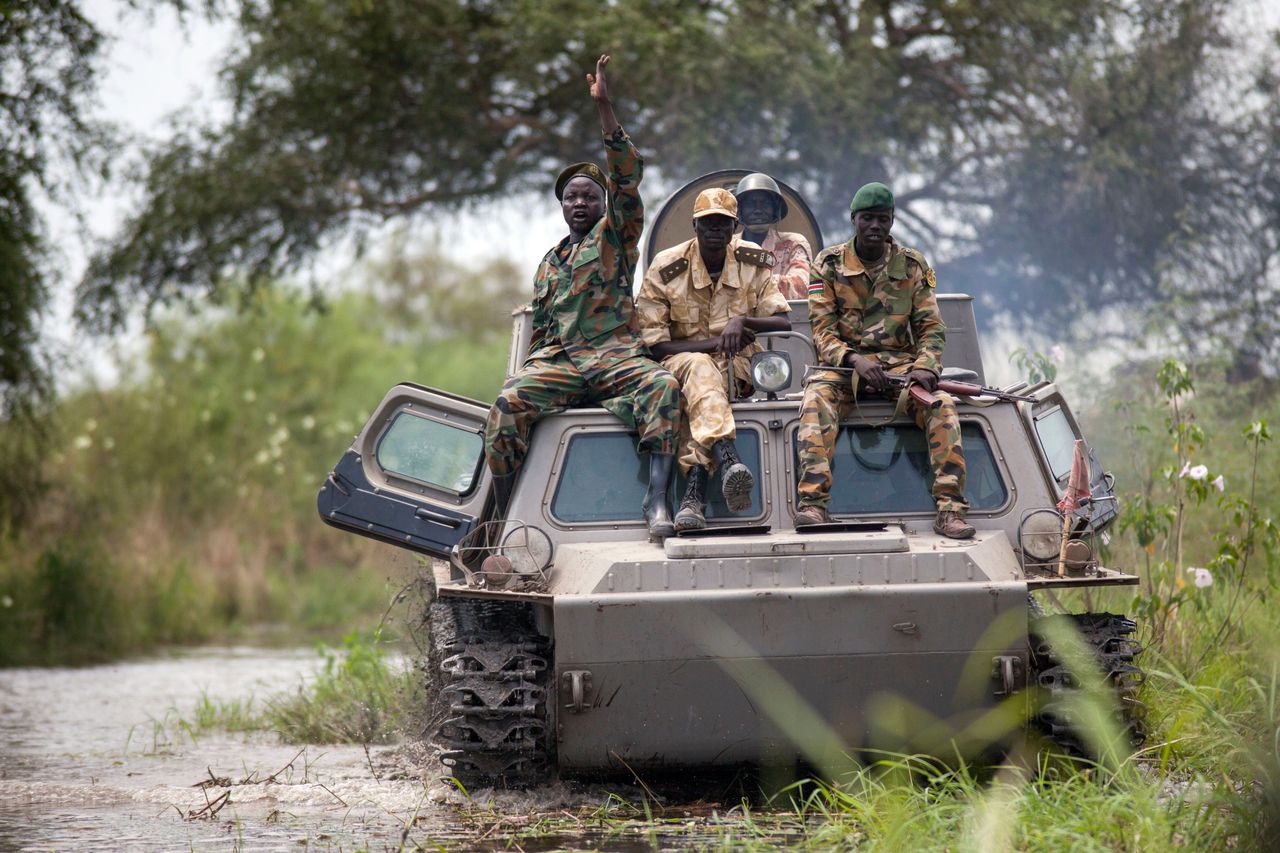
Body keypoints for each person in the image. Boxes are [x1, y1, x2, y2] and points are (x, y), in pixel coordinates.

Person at [483, 55, 681, 540]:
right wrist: (531, 370)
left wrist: (606, 110)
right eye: (571, 197)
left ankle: (658, 503)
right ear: (562, 205)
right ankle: (501, 524)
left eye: (589, 196)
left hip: (615, 360)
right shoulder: (549, 264)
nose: (579, 203)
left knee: (662, 388)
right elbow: (545, 330)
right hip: (563, 365)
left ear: (602, 203)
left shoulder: (615, 237)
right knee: (507, 405)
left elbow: (627, 178)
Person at [794, 181, 975, 539]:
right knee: (815, 402)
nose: (875, 226)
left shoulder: (911, 266)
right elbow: (822, 332)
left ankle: (950, 510)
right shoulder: (828, 265)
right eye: (867, 218)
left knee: (942, 406)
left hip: (900, 369)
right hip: (843, 369)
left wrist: (925, 365)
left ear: (891, 221)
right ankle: (813, 505)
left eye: (882, 218)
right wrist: (853, 360)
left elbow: (931, 327)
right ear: (853, 220)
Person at [637, 188, 791, 531]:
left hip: (737, 367)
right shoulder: (666, 267)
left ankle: (694, 495)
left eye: (723, 223)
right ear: (694, 225)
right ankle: (724, 456)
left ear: (734, 226)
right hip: (678, 364)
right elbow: (655, 346)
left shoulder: (752, 260)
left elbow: (783, 322)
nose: (715, 230)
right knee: (701, 366)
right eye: (708, 223)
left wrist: (744, 321)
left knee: (707, 387)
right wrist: (713, 343)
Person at [733, 173, 813, 301]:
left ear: (775, 210)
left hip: (781, 318)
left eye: (765, 204)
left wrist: (748, 282)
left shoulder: (792, 243)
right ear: (739, 211)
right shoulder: (728, 245)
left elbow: (802, 286)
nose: (758, 210)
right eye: (750, 204)